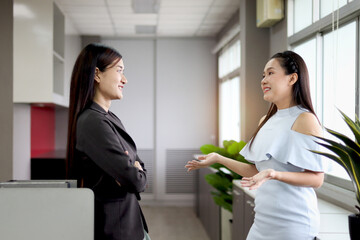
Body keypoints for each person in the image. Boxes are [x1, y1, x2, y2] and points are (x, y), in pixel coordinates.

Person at [186, 51, 326, 240]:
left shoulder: (305, 119)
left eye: (270, 73)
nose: (263, 80)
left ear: (292, 78)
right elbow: (255, 170)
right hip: (263, 222)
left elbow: (316, 179)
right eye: (263, 75)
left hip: (294, 224)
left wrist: (274, 174)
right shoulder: (265, 121)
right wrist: (218, 158)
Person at [66, 43, 150, 240]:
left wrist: (135, 167)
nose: (125, 80)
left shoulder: (108, 117)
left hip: (130, 223)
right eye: (119, 70)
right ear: (97, 74)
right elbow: (135, 180)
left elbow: (137, 166)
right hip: (116, 229)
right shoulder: (93, 122)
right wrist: (134, 168)